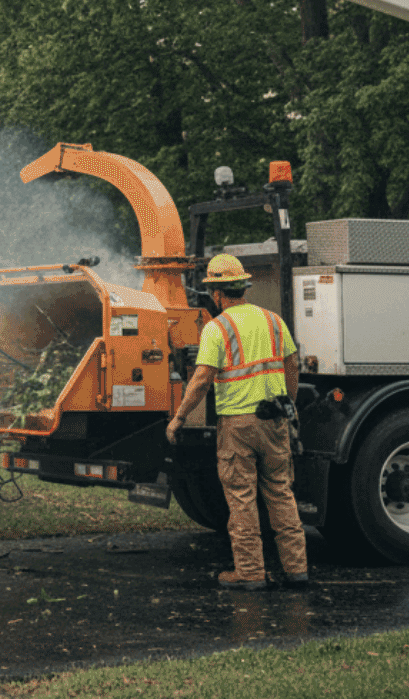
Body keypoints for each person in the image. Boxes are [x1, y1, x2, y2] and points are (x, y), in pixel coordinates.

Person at [164, 253, 309, 590]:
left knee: (242, 499)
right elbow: (292, 364)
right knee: (281, 495)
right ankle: (296, 569)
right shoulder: (274, 320)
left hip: (238, 426)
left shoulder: (218, 328)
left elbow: (201, 380)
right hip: (275, 420)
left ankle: (250, 573)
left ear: (216, 294)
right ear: (243, 287)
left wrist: (179, 418)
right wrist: (290, 404)